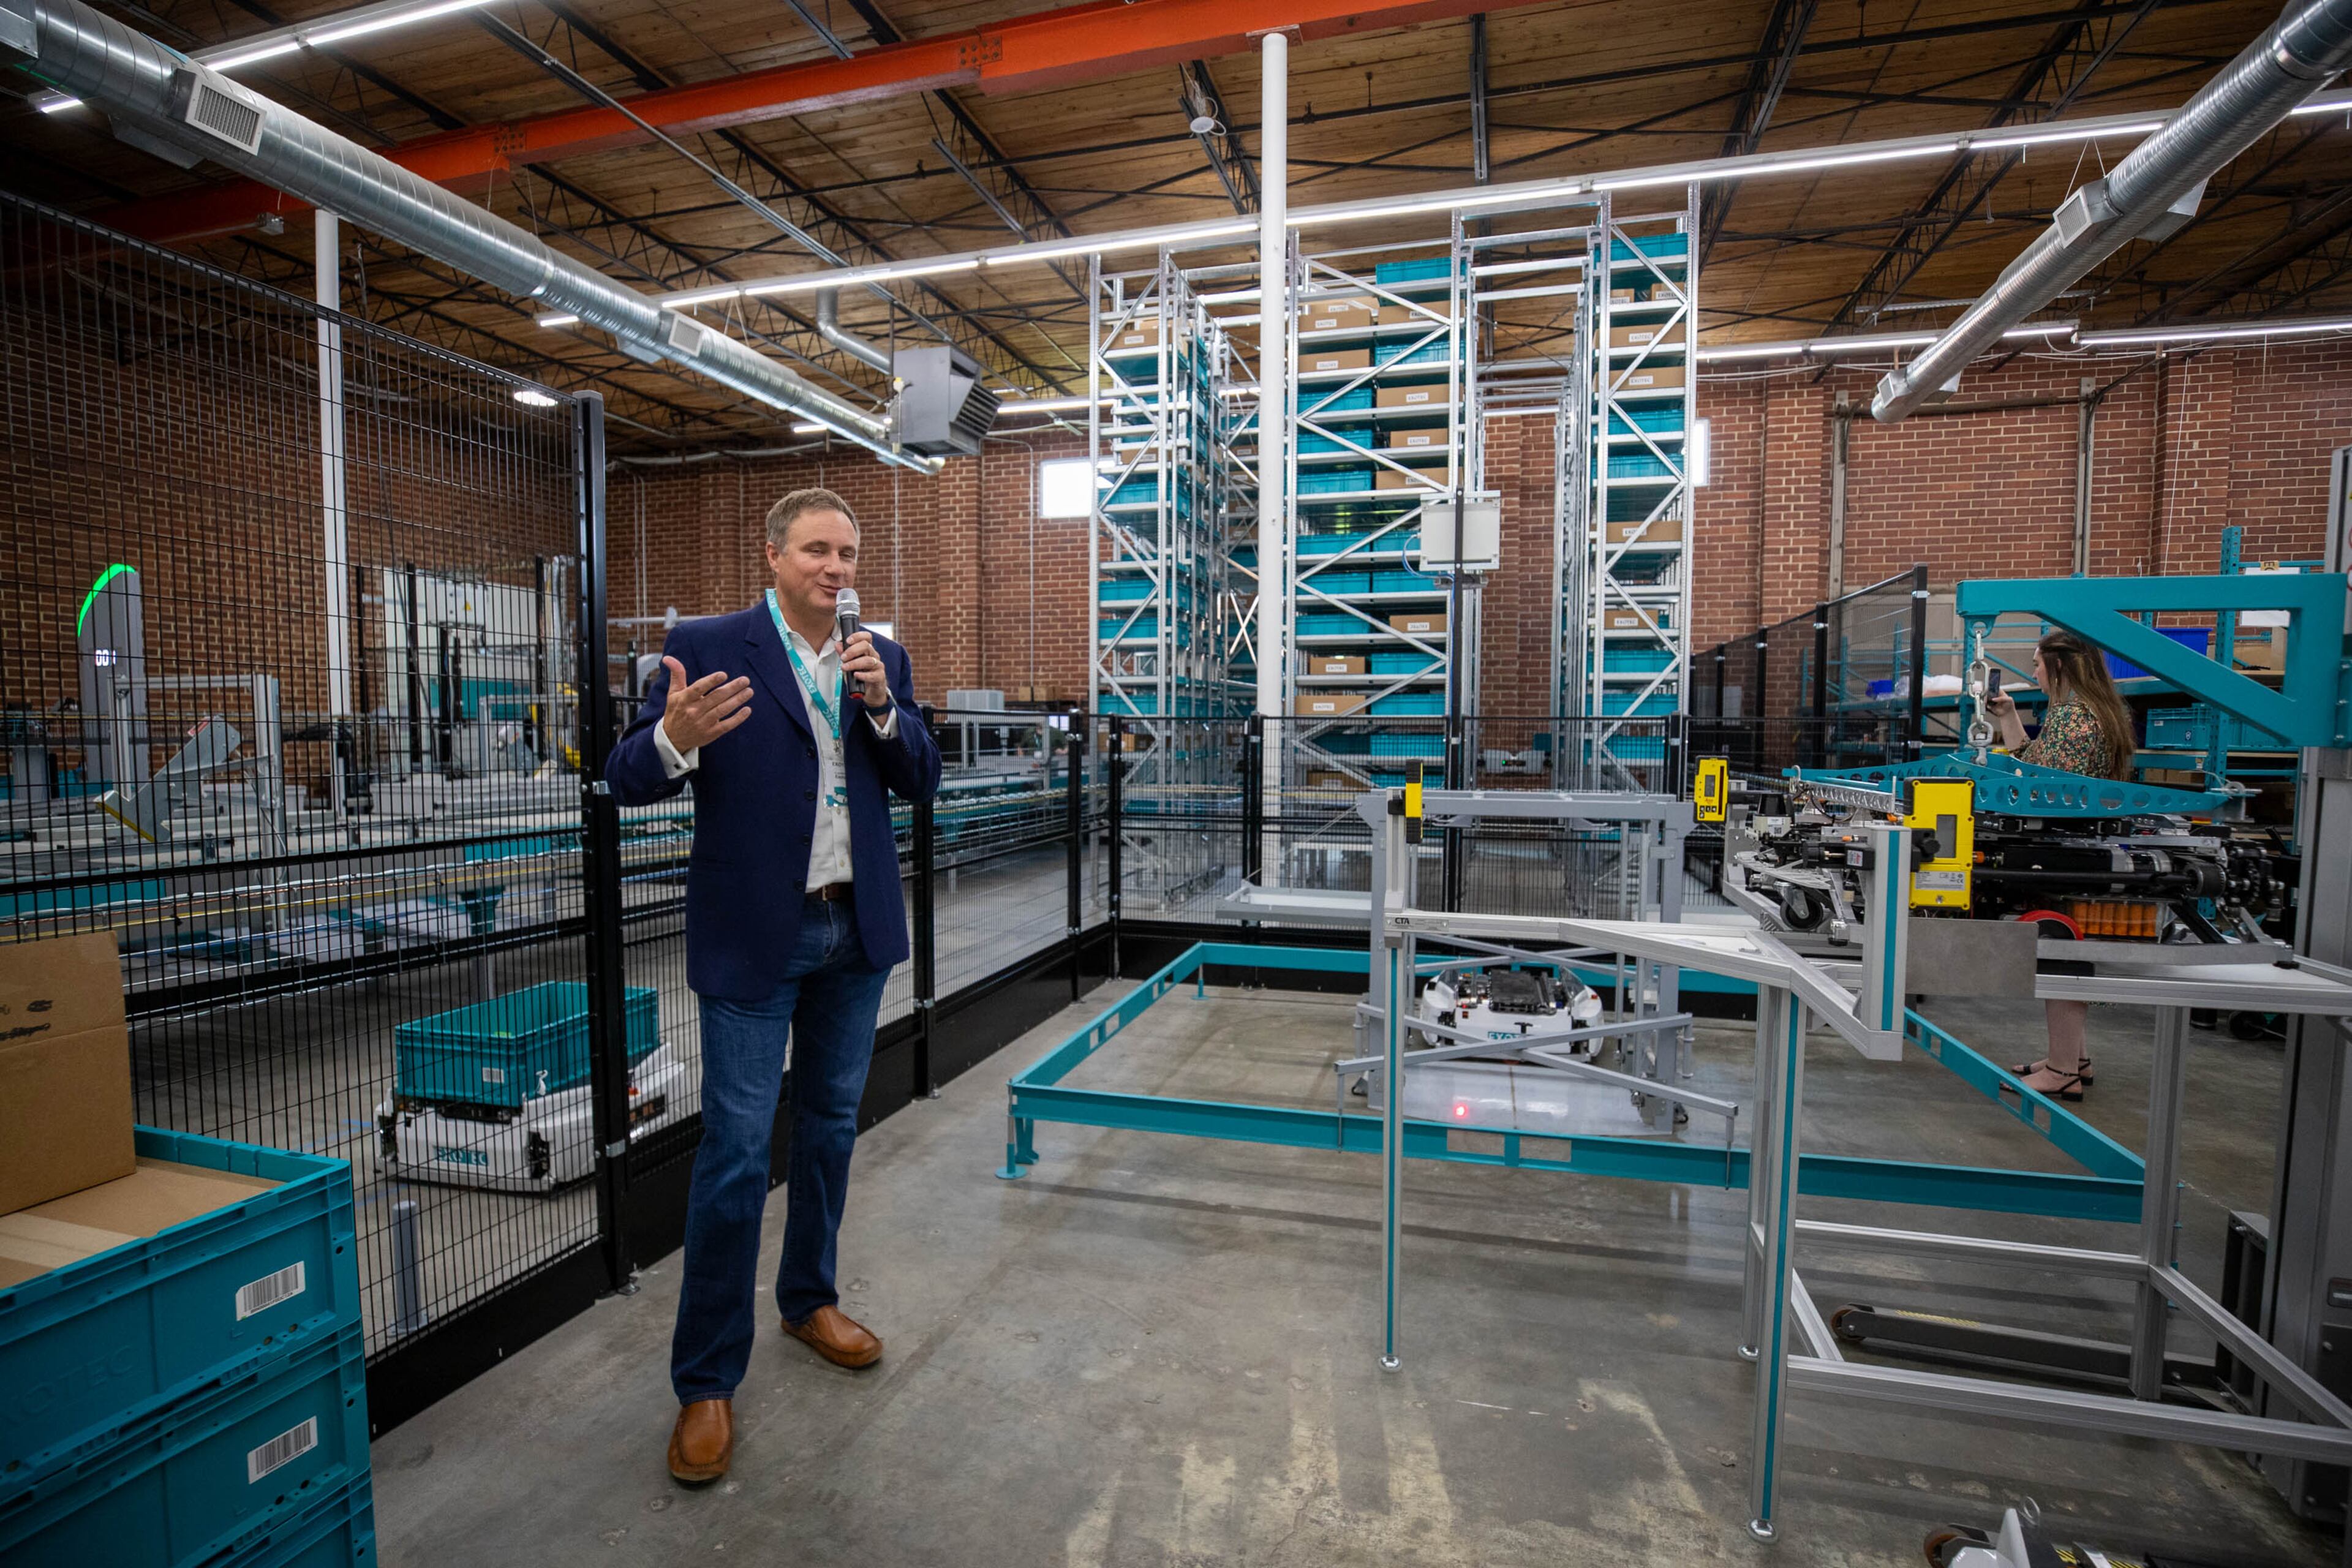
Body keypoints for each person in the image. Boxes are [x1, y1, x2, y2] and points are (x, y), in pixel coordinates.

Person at [605, 486, 941, 1486]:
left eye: (847, 553)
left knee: (833, 1128)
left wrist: (883, 706)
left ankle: (809, 1299)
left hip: (856, 931)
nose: (835, 569)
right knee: (739, 1152)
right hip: (759, 936)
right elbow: (628, 775)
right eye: (815, 551)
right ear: (773, 554)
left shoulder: (880, 657)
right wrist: (674, 739)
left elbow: (920, 777)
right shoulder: (706, 644)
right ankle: (706, 1381)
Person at [1981, 628, 2136, 1102]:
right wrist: (2009, 717)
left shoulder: (2072, 718)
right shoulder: (2095, 712)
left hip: (2063, 851)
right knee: (2064, 942)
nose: (2034, 673)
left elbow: (2035, 786)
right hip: (2082, 845)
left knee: (2059, 946)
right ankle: (2074, 1057)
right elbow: (2039, 764)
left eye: (2037, 664)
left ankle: (2063, 1070)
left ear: (2061, 666)